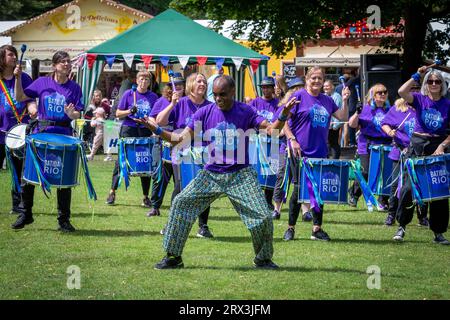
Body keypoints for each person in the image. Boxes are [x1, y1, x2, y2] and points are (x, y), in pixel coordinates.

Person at [135, 75, 298, 269]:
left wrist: (283, 115)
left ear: (232, 93)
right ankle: (173, 257)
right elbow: (180, 140)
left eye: (223, 95)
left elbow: (271, 130)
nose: (218, 98)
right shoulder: (204, 113)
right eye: (215, 95)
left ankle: (262, 259)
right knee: (180, 203)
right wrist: (157, 130)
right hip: (211, 173)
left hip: (240, 174)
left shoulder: (245, 111)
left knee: (263, 216)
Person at [11, 50, 83, 232]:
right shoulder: (42, 83)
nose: (66, 64)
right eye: (63, 62)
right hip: (41, 133)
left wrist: (70, 114)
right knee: (28, 176)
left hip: (64, 135)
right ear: (54, 65)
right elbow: (20, 97)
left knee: (63, 177)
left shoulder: (75, 87)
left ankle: (63, 220)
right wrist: (18, 78)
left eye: (68, 62)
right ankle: (26, 214)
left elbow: (78, 113)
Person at [282, 66, 350, 242]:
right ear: (307, 79)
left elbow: (342, 116)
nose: (317, 81)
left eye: (320, 78)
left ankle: (316, 229)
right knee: (298, 190)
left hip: (320, 152)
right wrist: (292, 139)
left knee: (318, 191)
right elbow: (284, 120)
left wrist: (345, 100)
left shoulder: (327, 100)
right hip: (300, 152)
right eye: (314, 78)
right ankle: (290, 228)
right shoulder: (298, 97)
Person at [393, 66, 450, 244]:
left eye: (437, 81)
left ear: (443, 85)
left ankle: (438, 232)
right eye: (430, 81)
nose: (434, 84)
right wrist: (417, 74)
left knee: (438, 192)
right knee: (409, 188)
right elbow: (402, 91)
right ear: (426, 83)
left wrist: (442, 146)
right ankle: (401, 226)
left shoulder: (448, 104)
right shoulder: (419, 99)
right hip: (417, 144)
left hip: (438, 146)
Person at [156, 73, 213, 238]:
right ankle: (172, 224)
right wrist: (172, 104)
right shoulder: (181, 103)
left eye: (204, 81)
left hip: (204, 153)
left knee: (205, 189)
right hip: (182, 151)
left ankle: (203, 226)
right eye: (198, 81)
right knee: (180, 188)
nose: (202, 83)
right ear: (190, 85)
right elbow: (159, 121)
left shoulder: (210, 106)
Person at [105, 71, 158, 209]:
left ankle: (146, 197)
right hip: (129, 129)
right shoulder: (129, 94)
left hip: (145, 129)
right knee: (121, 161)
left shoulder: (153, 97)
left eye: (147, 79)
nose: (144, 81)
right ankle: (112, 192)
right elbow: (117, 113)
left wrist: (149, 122)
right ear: (137, 80)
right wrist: (130, 111)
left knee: (144, 161)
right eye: (142, 78)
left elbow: (155, 115)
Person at [381, 89, 429, 227]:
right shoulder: (398, 109)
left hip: (419, 153)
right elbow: (384, 123)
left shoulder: (424, 110)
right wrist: (390, 131)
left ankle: (422, 216)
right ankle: (391, 214)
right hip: (400, 152)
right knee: (396, 186)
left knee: (420, 184)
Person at [0, 44, 34, 214]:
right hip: (1, 131)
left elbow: (30, 99)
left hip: (20, 131)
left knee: (19, 170)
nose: (13, 57)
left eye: (14, 54)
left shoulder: (25, 78)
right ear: (1, 59)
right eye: (9, 55)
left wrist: (33, 110)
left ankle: (18, 205)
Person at [347, 83, 392, 210]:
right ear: (373, 95)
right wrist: (357, 112)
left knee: (384, 173)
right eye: (379, 92)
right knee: (365, 172)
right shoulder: (365, 108)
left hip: (385, 144)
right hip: (366, 144)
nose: (383, 94)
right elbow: (352, 124)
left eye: (385, 92)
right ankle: (354, 194)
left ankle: (383, 200)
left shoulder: (390, 109)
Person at [146, 78, 185, 218]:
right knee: (160, 176)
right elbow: (153, 119)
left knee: (179, 179)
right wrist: (172, 104)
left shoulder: (186, 102)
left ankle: (177, 207)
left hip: (179, 142)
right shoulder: (162, 101)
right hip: (162, 141)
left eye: (181, 85)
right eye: (176, 85)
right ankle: (155, 206)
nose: (179, 87)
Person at [271, 77, 306, 220]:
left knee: (303, 179)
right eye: (295, 89)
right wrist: (285, 133)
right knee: (282, 178)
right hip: (286, 147)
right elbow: (275, 129)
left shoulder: (306, 107)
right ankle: (277, 209)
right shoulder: (283, 108)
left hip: (304, 148)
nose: (298, 91)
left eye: (301, 88)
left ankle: (305, 211)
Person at [249, 76, 279, 211]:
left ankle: (268, 201)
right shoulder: (254, 103)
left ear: (273, 88)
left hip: (272, 142)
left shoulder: (278, 104)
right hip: (256, 141)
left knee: (270, 172)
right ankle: (255, 201)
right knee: (255, 172)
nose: (266, 90)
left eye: (268, 87)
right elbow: (249, 119)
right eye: (264, 87)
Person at [323, 80, 343, 159]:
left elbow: (338, 110)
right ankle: (326, 159)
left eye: (327, 86)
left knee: (333, 143)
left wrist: (335, 125)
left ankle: (335, 161)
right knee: (326, 143)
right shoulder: (323, 96)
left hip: (333, 124)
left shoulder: (337, 96)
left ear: (332, 87)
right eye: (324, 86)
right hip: (324, 124)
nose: (325, 88)